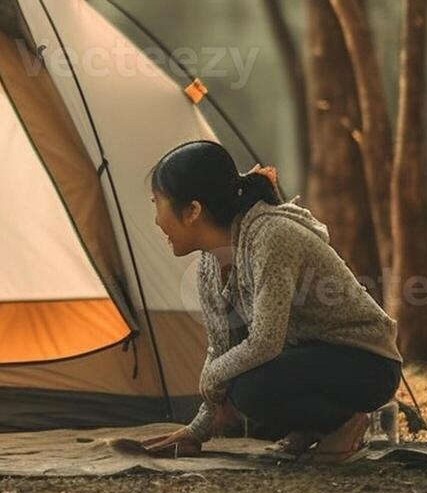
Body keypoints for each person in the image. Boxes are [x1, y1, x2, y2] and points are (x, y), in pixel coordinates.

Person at [140, 140, 403, 464]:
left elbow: (265, 342)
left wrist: (211, 379)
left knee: (249, 389)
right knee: (245, 390)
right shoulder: (210, 265)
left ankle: (347, 421)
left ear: (192, 211)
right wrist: (197, 431)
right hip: (307, 361)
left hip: (366, 363)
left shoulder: (272, 236)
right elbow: (221, 347)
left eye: (158, 204)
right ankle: (317, 429)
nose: (156, 220)